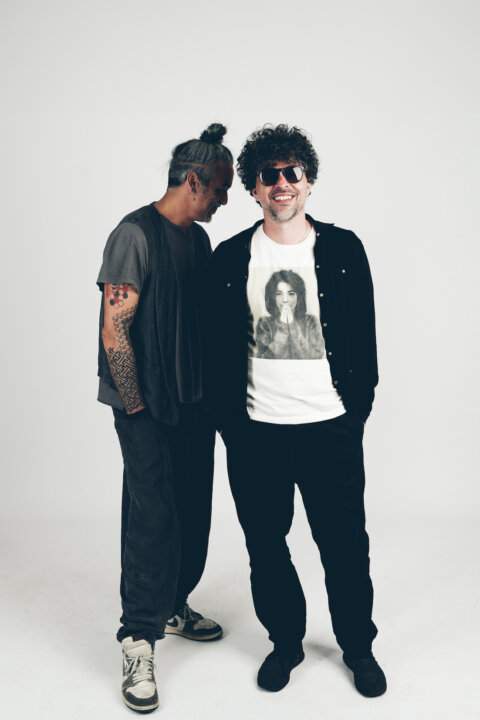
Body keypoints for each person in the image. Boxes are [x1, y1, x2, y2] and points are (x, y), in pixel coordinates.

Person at [205, 124, 387, 697]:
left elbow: (364, 338)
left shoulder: (343, 249)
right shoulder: (230, 257)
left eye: (292, 173)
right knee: (266, 547)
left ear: (308, 183)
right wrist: (231, 426)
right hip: (256, 432)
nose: (282, 183)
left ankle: (358, 647)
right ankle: (285, 643)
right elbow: (214, 346)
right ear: (253, 188)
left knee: (345, 546)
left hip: (330, 429)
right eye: (270, 175)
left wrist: (354, 413)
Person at [96, 123, 233, 713]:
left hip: (192, 402)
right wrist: (135, 405)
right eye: (221, 188)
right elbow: (115, 330)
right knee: (151, 517)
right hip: (145, 406)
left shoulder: (198, 242)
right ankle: (138, 637)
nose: (225, 199)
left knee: (194, 510)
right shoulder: (134, 234)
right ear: (194, 181)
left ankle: (174, 603)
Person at [255, 269, 324, 359]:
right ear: (272, 297)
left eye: (291, 294)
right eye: (279, 294)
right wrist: (283, 326)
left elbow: (316, 356)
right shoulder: (264, 323)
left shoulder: (311, 322)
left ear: (299, 296)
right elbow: (264, 359)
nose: (285, 300)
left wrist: (292, 326)